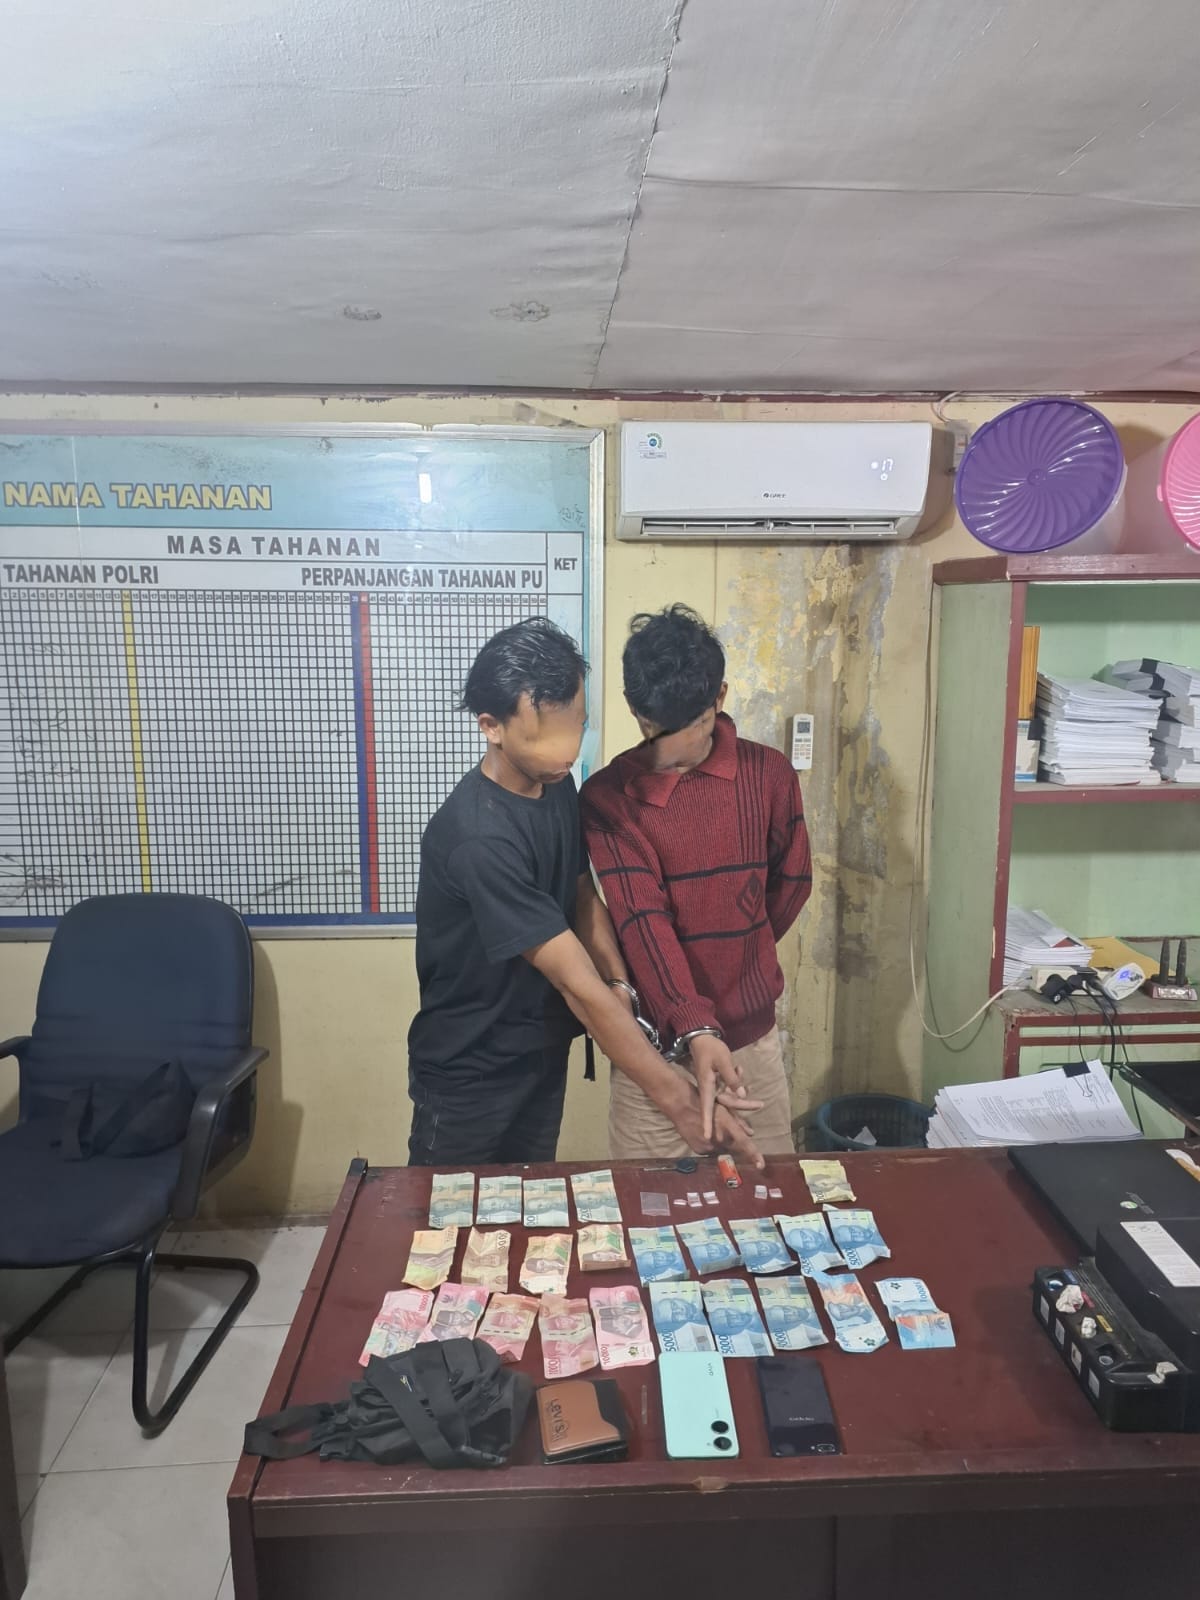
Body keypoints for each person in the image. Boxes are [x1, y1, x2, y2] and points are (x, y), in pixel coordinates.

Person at [406, 615, 763, 1168]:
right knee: (450, 1210)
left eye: (577, 727)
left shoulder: (554, 785)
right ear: (491, 726)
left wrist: (618, 979)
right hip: (469, 1070)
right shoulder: (477, 837)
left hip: (541, 1052)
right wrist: (681, 1105)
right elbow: (575, 984)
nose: (567, 752)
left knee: (530, 1199)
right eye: (546, 736)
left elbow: (580, 895)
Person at [581, 604, 813, 1161]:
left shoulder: (769, 775)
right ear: (635, 709)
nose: (675, 749)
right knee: (656, 1204)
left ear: (720, 698)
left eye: (695, 726)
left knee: (767, 1196)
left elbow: (791, 883)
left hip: (750, 1046)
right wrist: (693, 1023)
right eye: (655, 730)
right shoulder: (609, 798)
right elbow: (642, 922)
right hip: (655, 1053)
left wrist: (742, 951)